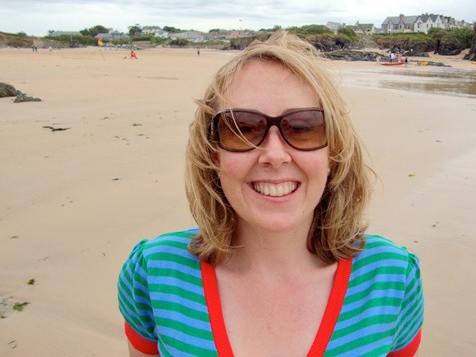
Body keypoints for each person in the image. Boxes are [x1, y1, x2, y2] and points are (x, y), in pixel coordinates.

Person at [117, 31, 424, 356]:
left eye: (304, 127)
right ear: (213, 154)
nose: (274, 155)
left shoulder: (391, 279)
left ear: (333, 153)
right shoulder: (154, 271)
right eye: (243, 129)